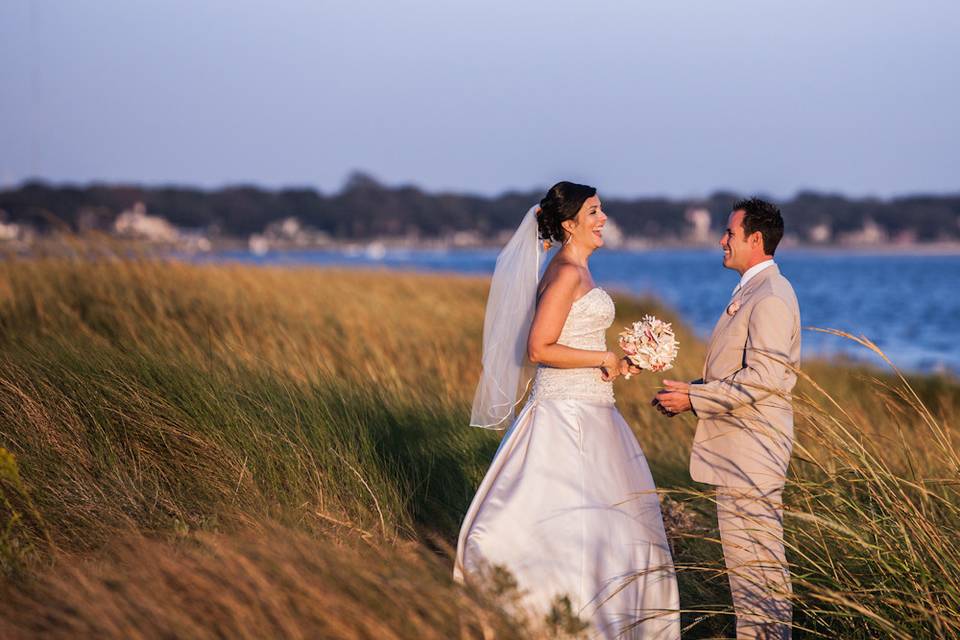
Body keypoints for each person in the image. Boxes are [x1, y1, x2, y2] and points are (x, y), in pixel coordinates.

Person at [455, 181, 680, 639]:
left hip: (594, 408)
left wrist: (620, 364)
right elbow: (539, 348)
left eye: (602, 211)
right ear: (568, 224)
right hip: (565, 414)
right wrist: (602, 359)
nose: (603, 219)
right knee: (568, 518)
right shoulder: (564, 273)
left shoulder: (579, 270)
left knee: (610, 525)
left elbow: (571, 341)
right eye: (594, 212)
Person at [652, 198, 799, 639]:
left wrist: (697, 400)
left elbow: (765, 378)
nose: (722, 240)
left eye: (730, 234)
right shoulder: (754, 290)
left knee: (758, 573)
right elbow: (740, 371)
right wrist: (691, 389)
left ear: (755, 240)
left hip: (751, 454)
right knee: (748, 572)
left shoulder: (770, 295)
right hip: (741, 452)